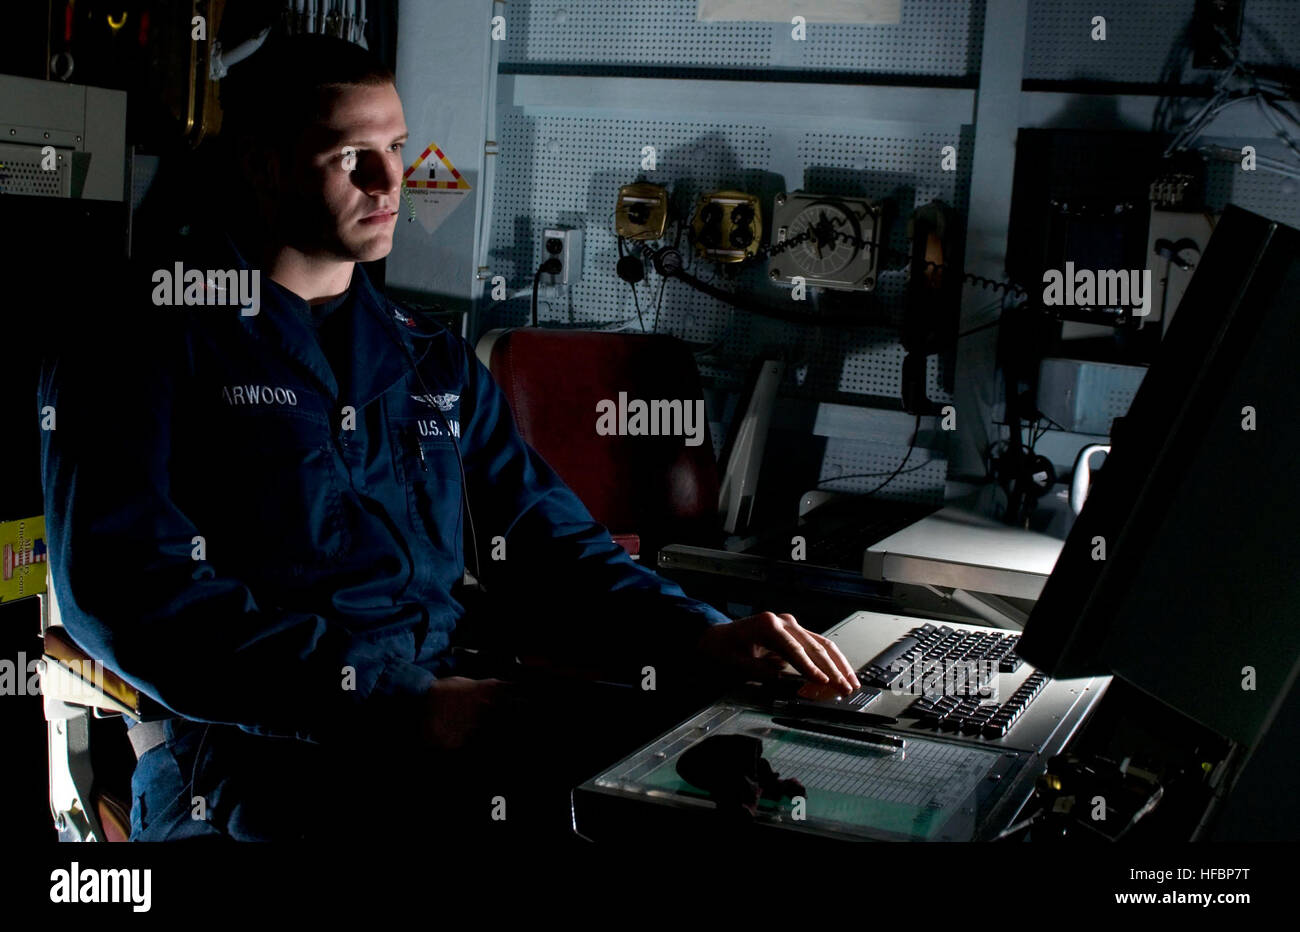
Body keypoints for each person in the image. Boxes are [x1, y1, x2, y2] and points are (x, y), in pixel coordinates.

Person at [38, 34, 858, 842]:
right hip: (250, 763)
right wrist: (395, 706)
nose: (393, 181)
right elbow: (131, 594)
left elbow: (548, 537)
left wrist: (698, 633)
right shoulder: (138, 343)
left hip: (440, 717)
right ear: (262, 163)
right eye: (350, 156)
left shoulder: (424, 355)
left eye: (396, 147)